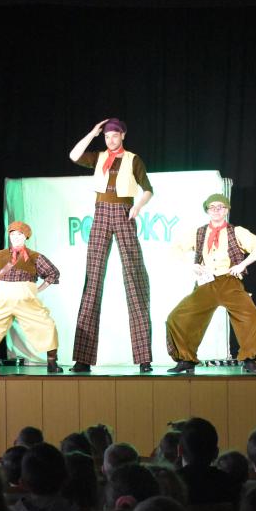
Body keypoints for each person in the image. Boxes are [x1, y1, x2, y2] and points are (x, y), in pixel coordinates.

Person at [67, 117, 154, 373]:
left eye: (114, 135)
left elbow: (148, 189)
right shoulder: (99, 157)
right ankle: (82, 359)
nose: (110, 140)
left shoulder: (133, 159)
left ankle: (144, 358)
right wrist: (92, 133)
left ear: (123, 135)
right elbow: (73, 155)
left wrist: (138, 206)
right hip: (101, 213)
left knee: (135, 278)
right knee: (93, 280)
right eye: (106, 136)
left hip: (125, 212)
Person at [166, 193, 256, 374]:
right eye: (212, 207)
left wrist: (242, 265)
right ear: (207, 210)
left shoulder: (236, 231)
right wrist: (192, 265)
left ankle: (250, 359)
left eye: (220, 207)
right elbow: (176, 248)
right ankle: (186, 359)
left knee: (251, 318)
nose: (216, 210)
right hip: (207, 283)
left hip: (229, 281)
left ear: (226, 210)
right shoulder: (199, 232)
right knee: (178, 317)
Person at [0, 220, 62, 374]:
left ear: (26, 237)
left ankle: (52, 362)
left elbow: (53, 273)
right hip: (2, 300)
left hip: (26, 300)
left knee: (46, 326)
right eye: (13, 234)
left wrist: (38, 289)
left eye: (20, 234)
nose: (16, 237)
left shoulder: (35, 257)